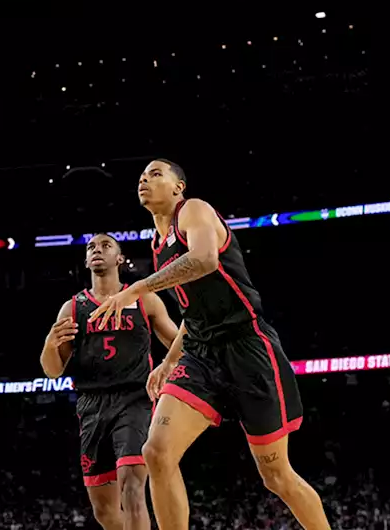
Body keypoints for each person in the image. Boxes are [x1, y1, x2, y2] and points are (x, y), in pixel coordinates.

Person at [90, 160, 331, 530]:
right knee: (156, 452)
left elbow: (203, 260)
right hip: (202, 355)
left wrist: (137, 289)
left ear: (178, 187)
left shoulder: (195, 211)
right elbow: (195, 313)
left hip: (248, 348)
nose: (144, 179)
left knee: (277, 476)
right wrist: (170, 358)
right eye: (141, 175)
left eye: (156, 174)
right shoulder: (158, 245)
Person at [41, 233, 178, 530]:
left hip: (135, 400)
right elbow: (53, 371)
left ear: (119, 258)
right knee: (103, 510)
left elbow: (178, 344)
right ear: (86, 260)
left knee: (132, 488)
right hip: (91, 405)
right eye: (91, 247)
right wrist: (50, 345)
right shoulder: (73, 307)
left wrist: (172, 367)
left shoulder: (144, 299)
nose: (97, 250)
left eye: (105, 246)